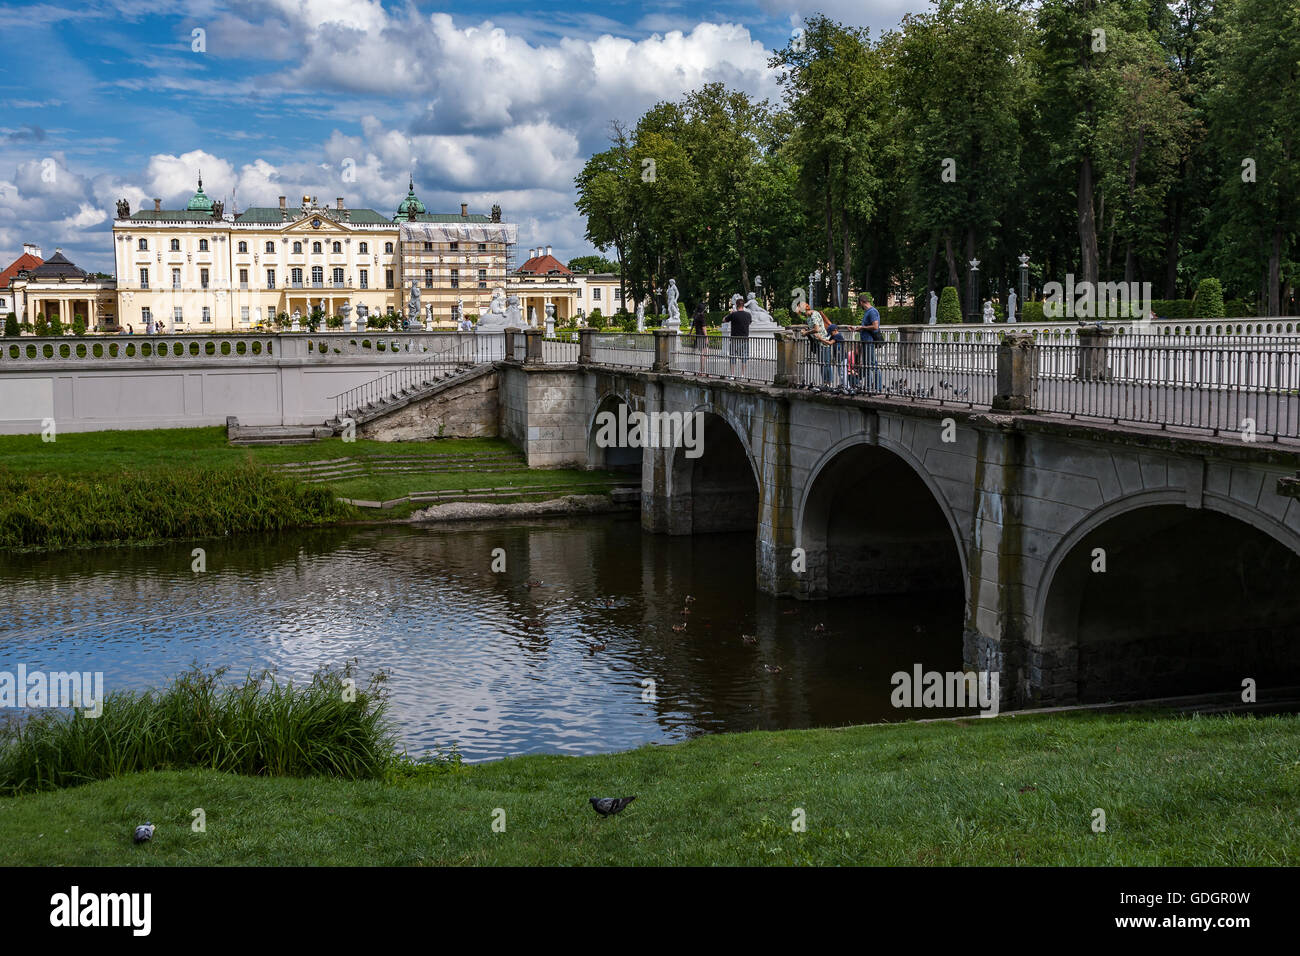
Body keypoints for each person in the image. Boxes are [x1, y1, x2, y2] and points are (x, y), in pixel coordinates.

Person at [856, 294, 883, 392]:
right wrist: (857, 329)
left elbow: (875, 327)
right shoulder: (868, 312)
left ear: (861, 302)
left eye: (859, 304)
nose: (860, 306)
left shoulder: (872, 311)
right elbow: (867, 327)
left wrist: (862, 327)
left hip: (869, 342)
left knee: (872, 364)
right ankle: (868, 387)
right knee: (867, 365)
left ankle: (878, 388)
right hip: (865, 341)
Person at [725, 294, 751, 379]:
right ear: (743, 305)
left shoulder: (733, 314)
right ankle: (742, 375)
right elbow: (749, 322)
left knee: (733, 356)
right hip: (744, 338)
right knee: (744, 357)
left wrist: (730, 313)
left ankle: (732, 375)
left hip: (734, 338)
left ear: (736, 305)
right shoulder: (748, 315)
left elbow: (724, 320)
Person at [691, 302, 708, 371]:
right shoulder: (701, 316)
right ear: (703, 309)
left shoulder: (695, 316)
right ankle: (702, 370)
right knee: (704, 354)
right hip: (702, 336)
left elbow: (693, 325)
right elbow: (704, 328)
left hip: (698, 336)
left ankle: (701, 370)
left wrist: (690, 333)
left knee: (702, 354)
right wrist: (706, 337)